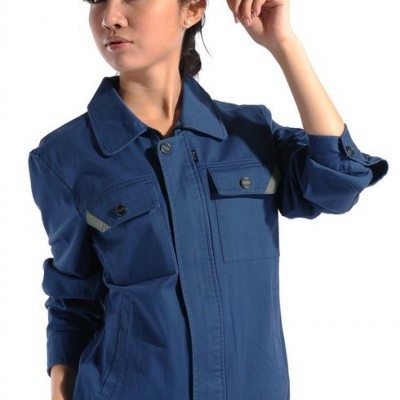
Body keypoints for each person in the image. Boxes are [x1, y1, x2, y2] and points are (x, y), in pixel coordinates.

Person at [28, 0, 388, 399]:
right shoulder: (64, 158)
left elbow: (340, 182)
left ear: (193, 9)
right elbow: (72, 300)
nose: (110, 16)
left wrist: (284, 43)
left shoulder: (251, 134)